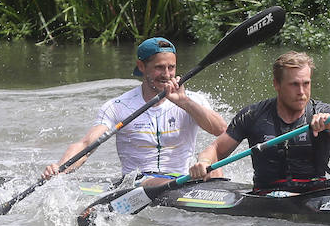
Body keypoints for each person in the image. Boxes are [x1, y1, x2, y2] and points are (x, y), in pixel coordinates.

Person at [42, 37, 228, 184]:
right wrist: (60, 167)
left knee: (214, 168)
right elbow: (86, 145)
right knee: (154, 182)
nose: (166, 74)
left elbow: (221, 130)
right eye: (159, 68)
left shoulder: (192, 100)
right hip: (139, 182)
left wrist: (184, 102)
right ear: (141, 66)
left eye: (171, 67)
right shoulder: (118, 106)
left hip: (182, 179)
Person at [189, 51, 330, 191]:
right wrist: (204, 162)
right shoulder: (253, 115)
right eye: (294, 84)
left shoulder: (322, 112)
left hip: (314, 192)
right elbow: (216, 149)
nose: (301, 92)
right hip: (266, 193)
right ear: (277, 84)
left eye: (306, 84)